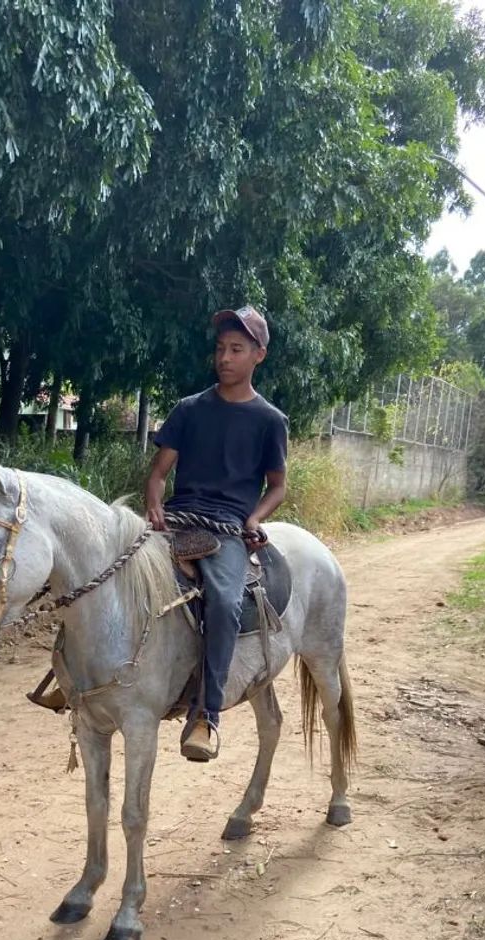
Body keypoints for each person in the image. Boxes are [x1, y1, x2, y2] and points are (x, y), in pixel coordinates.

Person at [145, 305, 288, 762]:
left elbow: (278, 486)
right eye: (221, 348)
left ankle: (205, 717)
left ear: (258, 355)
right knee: (114, 568)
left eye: (236, 349)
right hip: (177, 518)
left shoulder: (269, 420)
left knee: (225, 602)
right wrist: (154, 503)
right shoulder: (189, 409)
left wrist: (254, 519)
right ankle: (77, 678)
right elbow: (159, 474)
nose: (224, 357)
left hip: (226, 529)